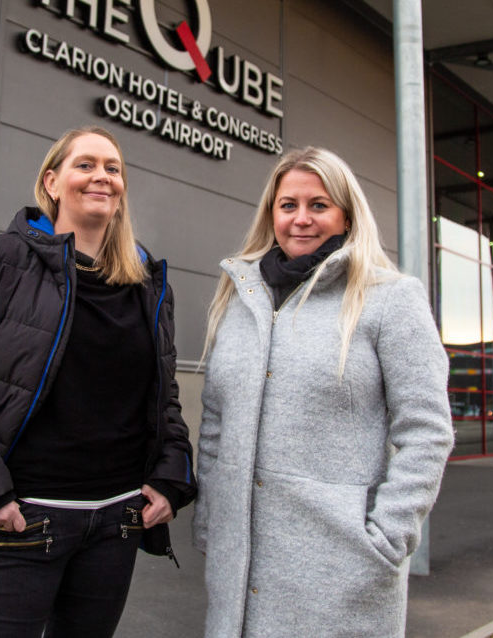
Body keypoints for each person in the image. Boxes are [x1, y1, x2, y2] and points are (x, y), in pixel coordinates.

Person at [0, 126, 195, 637]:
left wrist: (171, 477)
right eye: (85, 164)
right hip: (21, 523)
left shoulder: (148, 285)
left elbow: (162, 397)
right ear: (52, 182)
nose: (101, 176)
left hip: (116, 524)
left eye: (112, 167)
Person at [192, 147, 454, 637]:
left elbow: (427, 432)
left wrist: (388, 537)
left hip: (341, 570)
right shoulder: (241, 296)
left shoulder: (390, 299)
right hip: (238, 567)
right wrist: (212, 520)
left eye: (319, 205)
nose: (301, 219)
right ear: (271, 214)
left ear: (346, 215)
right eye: (288, 205)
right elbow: (215, 425)